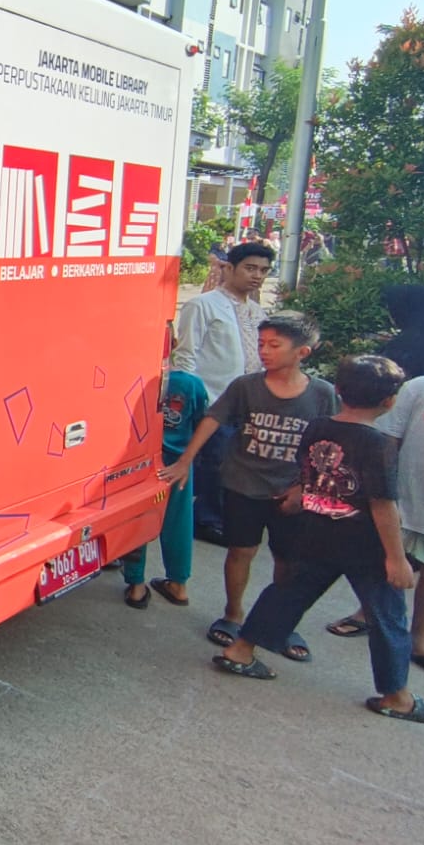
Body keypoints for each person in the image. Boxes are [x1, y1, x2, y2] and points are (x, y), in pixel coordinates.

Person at [212, 357, 424, 726]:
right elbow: (383, 506)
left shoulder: (318, 426)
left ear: (337, 391)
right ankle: (396, 695)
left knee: (288, 592)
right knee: (387, 616)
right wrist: (396, 558)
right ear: (390, 401)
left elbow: (311, 471)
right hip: (365, 546)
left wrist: (297, 494)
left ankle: (240, 650)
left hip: (316, 530)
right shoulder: (378, 445)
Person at [160, 311, 337, 659]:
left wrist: (304, 488)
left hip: (290, 491)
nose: (265, 351)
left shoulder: (322, 394)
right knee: (241, 551)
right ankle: (232, 614)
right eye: (261, 344)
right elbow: (213, 419)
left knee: (288, 560)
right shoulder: (246, 386)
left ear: (303, 352)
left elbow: (329, 444)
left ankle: (281, 623)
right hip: (243, 484)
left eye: (275, 344)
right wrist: (185, 461)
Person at [326, 324, 424, 684]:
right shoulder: (422, 388)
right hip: (401, 500)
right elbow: (387, 440)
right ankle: (365, 615)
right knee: (383, 563)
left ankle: (421, 644)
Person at [171, 241, 274, 542]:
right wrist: (189, 401)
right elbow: (187, 354)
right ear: (229, 268)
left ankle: (217, 515)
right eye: (250, 268)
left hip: (248, 402)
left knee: (233, 463)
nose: (257, 276)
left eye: (264, 271)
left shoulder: (257, 311)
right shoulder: (203, 305)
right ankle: (206, 519)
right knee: (214, 462)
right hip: (213, 400)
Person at [123, 368, 208, 610]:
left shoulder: (137, 373)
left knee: (138, 519)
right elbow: (203, 422)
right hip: (179, 462)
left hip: (142, 460)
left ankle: (136, 586)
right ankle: (179, 584)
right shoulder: (192, 384)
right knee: (178, 523)